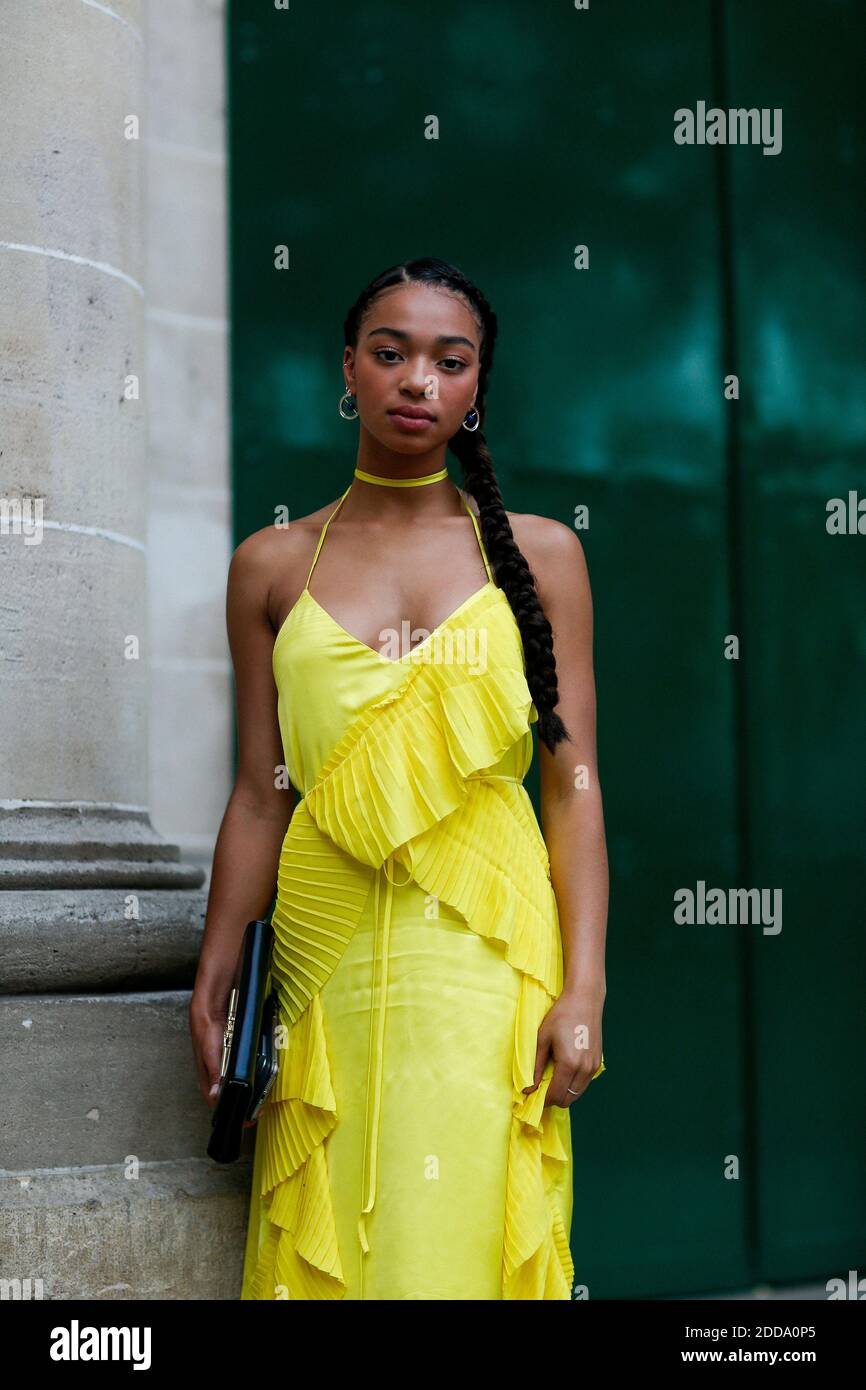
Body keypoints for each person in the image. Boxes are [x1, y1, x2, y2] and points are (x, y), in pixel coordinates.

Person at [190, 257, 608, 1300]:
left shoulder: (540, 555)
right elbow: (260, 790)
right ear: (348, 369)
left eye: (447, 360)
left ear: (475, 388)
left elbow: (572, 789)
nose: (416, 379)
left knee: (457, 1231)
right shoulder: (270, 563)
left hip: (486, 960)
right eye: (390, 352)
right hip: (326, 960)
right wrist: (213, 968)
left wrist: (585, 986)